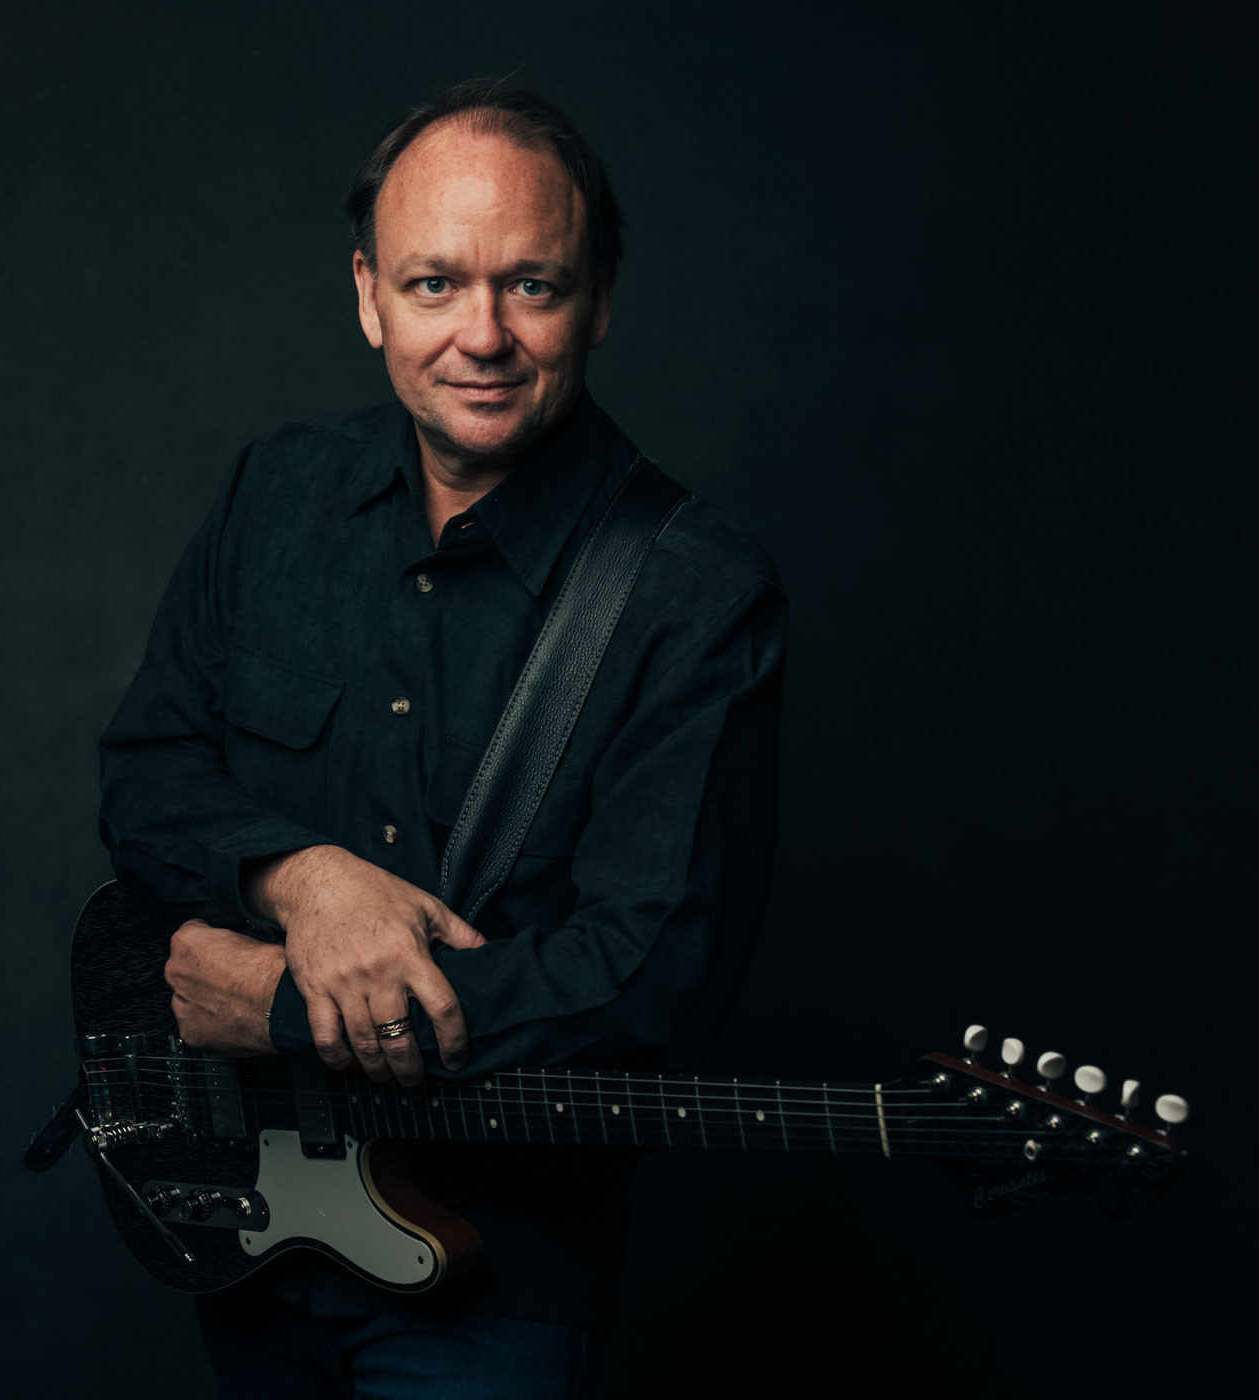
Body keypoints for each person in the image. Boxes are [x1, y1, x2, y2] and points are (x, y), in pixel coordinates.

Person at [98, 79, 787, 1398]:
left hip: (501, 1280)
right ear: (367, 297)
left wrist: (290, 1009)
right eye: (433, 285)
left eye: (532, 284)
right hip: (252, 1238)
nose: (483, 334)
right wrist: (305, 879)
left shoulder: (695, 591)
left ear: (599, 298)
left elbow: (647, 985)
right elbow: (149, 778)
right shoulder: (274, 496)